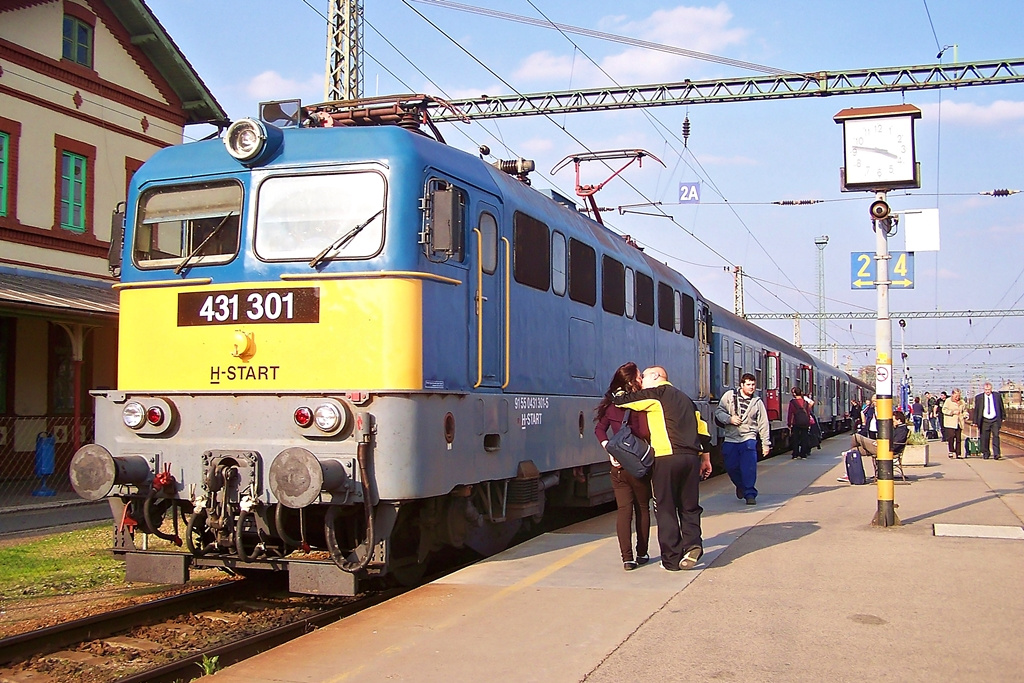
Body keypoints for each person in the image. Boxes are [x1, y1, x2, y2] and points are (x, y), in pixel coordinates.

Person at [614, 366, 712, 571]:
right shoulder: (687, 399)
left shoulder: (656, 394)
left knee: (665, 508)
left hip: (666, 458)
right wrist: (705, 458)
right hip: (691, 458)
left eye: (644, 377)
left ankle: (671, 559)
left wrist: (622, 388)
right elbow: (703, 430)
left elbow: (622, 401)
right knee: (689, 506)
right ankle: (693, 545)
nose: (641, 382)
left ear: (656, 377)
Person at [594, 362, 652, 571]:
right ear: (632, 381)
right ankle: (643, 553)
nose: (641, 379)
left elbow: (600, 430)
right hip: (638, 466)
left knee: (623, 511)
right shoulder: (642, 405)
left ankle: (627, 559)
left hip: (618, 466)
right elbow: (645, 434)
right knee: (642, 509)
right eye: (639, 376)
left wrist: (610, 450)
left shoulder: (611, 405)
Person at [714, 373, 771, 505]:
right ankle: (741, 485)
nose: (751, 387)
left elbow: (763, 423)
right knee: (731, 467)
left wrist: (765, 444)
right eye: (748, 385)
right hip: (731, 438)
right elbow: (719, 412)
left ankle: (750, 494)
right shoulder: (729, 396)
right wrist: (729, 419)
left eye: (753, 385)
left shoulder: (757, 402)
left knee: (749, 468)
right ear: (742, 385)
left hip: (749, 438)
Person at [839, 410, 909, 482]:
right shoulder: (898, 429)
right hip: (882, 447)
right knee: (854, 451)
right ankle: (848, 472)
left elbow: (895, 444)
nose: (892, 423)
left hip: (884, 449)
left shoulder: (902, 430)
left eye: (893, 421)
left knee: (855, 436)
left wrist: (881, 444)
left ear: (899, 420)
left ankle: (851, 453)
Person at [972, 382, 1004, 460]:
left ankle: (996, 453)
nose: (987, 391)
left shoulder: (997, 396)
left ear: (991, 389)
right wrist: (975, 421)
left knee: (996, 436)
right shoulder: (979, 397)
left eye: (989, 389)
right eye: (986, 390)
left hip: (995, 419)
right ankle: (986, 453)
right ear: (984, 389)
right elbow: (977, 410)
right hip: (984, 420)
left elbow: (1001, 406)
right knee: (985, 437)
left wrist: (1003, 416)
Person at [942, 388, 968, 458]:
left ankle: (958, 453)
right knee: (951, 437)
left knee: (958, 438)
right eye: (956, 396)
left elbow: (964, 410)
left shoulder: (962, 402)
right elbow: (944, 410)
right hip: (950, 422)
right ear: (952, 395)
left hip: (959, 422)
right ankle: (951, 451)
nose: (957, 397)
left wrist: (965, 415)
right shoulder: (948, 401)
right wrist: (952, 412)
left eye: (958, 396)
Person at [787, 387, 812, 459]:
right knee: (804, 438)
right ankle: (803, 454)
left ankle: (795, 454)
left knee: (795, 438)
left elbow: (790, 413)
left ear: (794, 393)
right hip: (805, 423)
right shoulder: (805, 402)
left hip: (796, 422)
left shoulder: (792, 402)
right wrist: (808, 423)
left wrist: (789, 423)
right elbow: (808, 413)